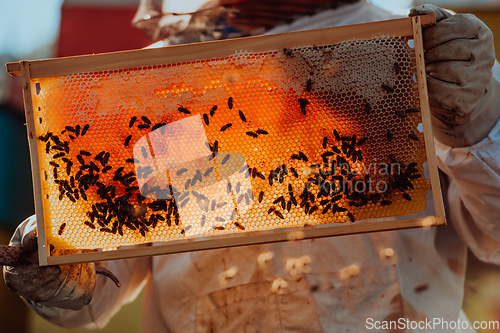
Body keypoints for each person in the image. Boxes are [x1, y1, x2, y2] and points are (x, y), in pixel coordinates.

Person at [4, 1, 500, 332]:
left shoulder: (417, 49)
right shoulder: (158, 86)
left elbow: (493, 233)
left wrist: (476, 118)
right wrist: (64, 265)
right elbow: (102, 280)